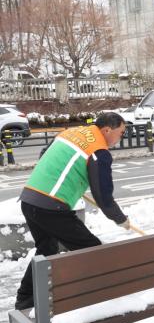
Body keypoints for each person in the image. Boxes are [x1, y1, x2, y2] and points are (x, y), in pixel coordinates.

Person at [15, 112, 131, 310]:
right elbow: (103, 196)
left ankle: (25, 300)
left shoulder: (72, 132)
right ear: (107, 130)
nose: (121, 138)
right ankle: (95, 300)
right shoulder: (99, 151)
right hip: (51, 207)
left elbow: (44, 154)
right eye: (120, 133)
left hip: (29, 199)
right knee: (92, 251)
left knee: (47, 249)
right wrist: (121, 219)